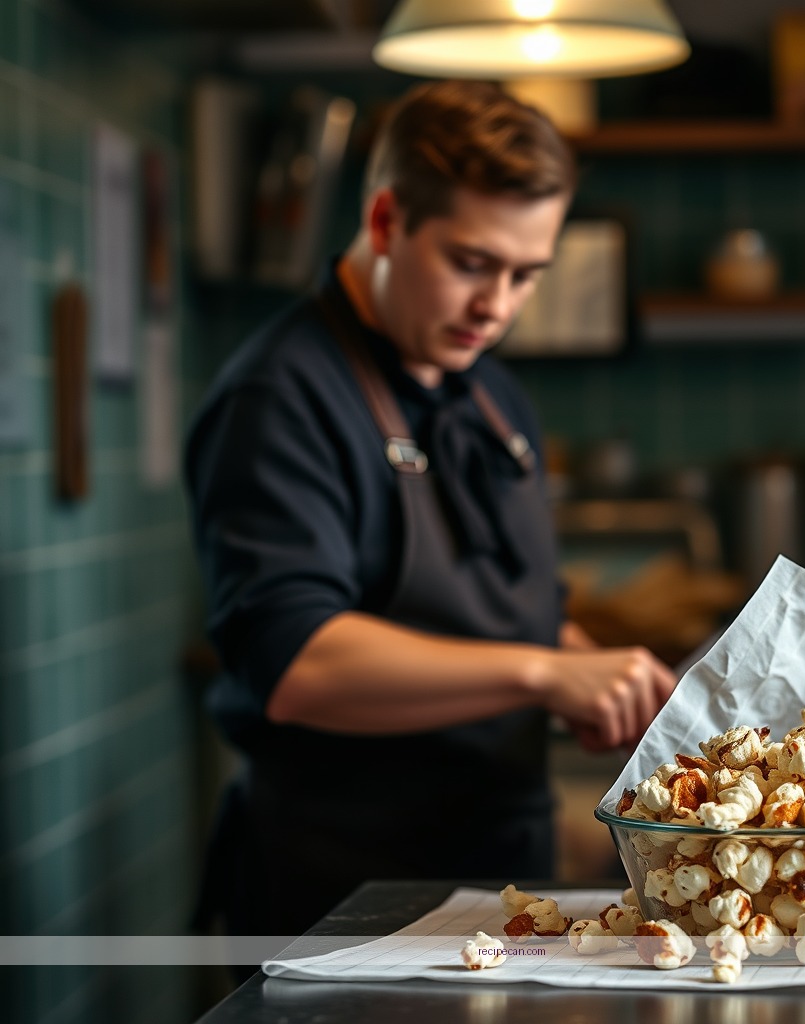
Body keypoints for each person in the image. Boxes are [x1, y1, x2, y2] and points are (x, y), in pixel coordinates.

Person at [184, 79, 677, 940]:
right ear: (385, 224)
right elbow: (297, 664)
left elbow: (518, 608)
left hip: (499, 873)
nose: (496, 307)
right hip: (343, 888)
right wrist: (540, 673)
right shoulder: (280, 395)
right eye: (471, 263)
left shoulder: (491, 394)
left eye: (527, 275)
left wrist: (604, 679)